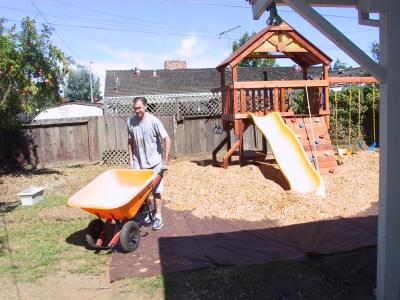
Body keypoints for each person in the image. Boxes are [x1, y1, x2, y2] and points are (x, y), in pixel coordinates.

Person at [127, 97, 171, 230]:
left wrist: (166, 159)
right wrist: (130, 158)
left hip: (155, 163)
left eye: (139, 108)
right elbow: (130, 141)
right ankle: (147, 212)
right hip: (139, 162)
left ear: (146, 106)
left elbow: (167, 139)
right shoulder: (130, 122)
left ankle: (158, 217)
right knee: (141, 193)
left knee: (156, 192)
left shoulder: (153, 121)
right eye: (135, 108)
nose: (137, 111)